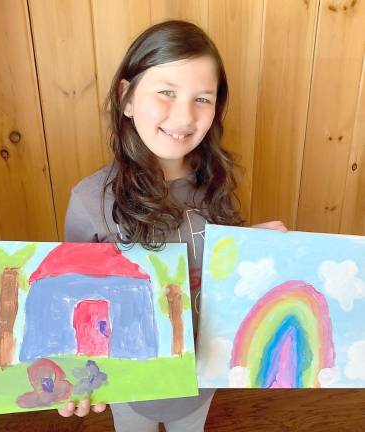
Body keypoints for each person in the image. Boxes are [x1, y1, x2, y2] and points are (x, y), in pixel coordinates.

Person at [58, 19, 287, 432]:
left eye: (203, 98)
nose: (183, 115)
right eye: (166, 92)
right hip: (129, 387)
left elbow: (217, 273)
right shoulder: (89, 201)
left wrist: (259, 253)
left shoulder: (217, 184)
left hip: (201, 381)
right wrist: (75, 378)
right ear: (126, 97)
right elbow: (77, 308)